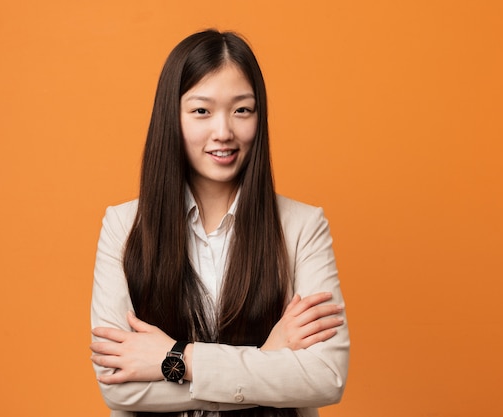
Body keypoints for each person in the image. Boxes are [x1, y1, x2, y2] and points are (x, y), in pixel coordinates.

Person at [90, 29, 349, 417]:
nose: (224, 132)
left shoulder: (303, 226)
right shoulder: (123, 226)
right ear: (171, 118)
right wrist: (267, 359)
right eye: (201, 111)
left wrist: (178, 359)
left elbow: (326, 377)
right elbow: (119, 389)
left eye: (242, 110)